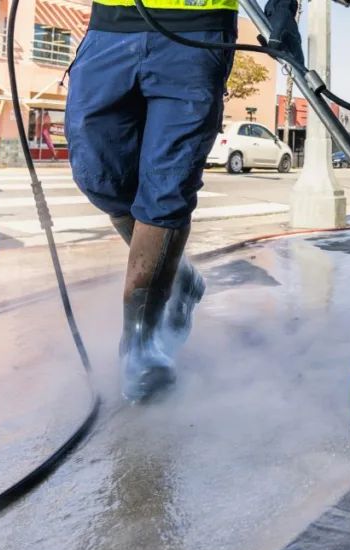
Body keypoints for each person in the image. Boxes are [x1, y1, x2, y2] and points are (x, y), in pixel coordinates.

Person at [64, 0, 239, 402]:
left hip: (198, 31)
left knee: (168, 186)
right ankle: (178, 276)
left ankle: (140, 344)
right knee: (97, 173)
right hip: (111, 25)